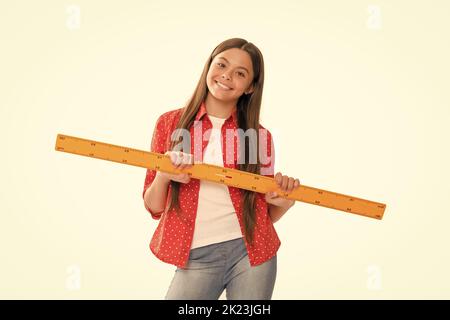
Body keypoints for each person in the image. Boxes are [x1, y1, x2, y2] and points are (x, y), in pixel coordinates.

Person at [142, 38, 300, 300]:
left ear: (250, 87)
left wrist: (283, 202)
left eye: (240, 73)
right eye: (222, 65)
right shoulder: (170, 124)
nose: (227, 76)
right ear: (209, 67)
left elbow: (264, 214)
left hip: (252, 254)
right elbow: (154, 206)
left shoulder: (260, 137)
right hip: (196, 257)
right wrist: (163, 175)